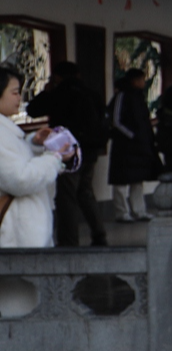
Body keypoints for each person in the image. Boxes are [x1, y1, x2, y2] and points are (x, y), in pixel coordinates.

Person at [25, 61, 108, 246]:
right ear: (78, 74)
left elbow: (32, 110)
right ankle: (99, 234)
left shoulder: (59, 93)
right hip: (90, 151)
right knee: (86, 192)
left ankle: (69, 242)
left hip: (67, 152)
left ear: (57, 77)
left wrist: (46, 91)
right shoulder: (92, 94)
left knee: (67, 195)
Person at [0, 63, 68, 248]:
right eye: (14, 92)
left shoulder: (6, 129)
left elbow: (13, 159)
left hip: (21, 234)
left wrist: (34, 144)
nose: (19, 98)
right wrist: (54, 159)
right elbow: (20, 179)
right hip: (16, 237)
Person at [105, 68, 156, 222]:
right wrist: (131, 135)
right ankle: (122, 213)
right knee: (120, 181)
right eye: (141, 79)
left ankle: (139, 211)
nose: (143, 82)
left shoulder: (139, 97)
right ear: (133, 81)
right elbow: (116, 121)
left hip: (138, 145)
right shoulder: (122, 95)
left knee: (137, 179)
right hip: (123, 145)